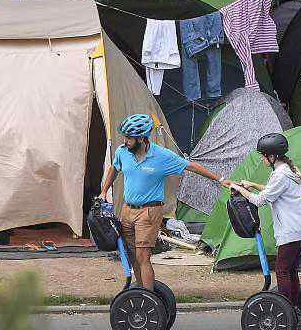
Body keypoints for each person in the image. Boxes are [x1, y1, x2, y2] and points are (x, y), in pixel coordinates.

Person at [99, 113, 231, 290]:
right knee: (132, 255)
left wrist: (220, 179)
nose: (125, 141)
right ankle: (140, 291)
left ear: (142, 138)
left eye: (129, 138)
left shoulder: (162, 156)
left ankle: (149, 295)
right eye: (125, 137)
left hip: (149, 212)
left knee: (143, 256)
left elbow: (190, 165)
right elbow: (114, 169)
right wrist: (103, 191)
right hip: (127, 209)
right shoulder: (123, 152)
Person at [229, 133, 301, 322]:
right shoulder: (286, 170)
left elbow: (260, 201)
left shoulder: (280, 174)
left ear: (272, 156)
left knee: (283, 271)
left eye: (263, 155)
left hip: (292, 231)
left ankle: (287, 311)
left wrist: (241, 189)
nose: (262, 158)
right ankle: (294, 308)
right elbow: (272, 190)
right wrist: (251, 184)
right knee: (290, 271)